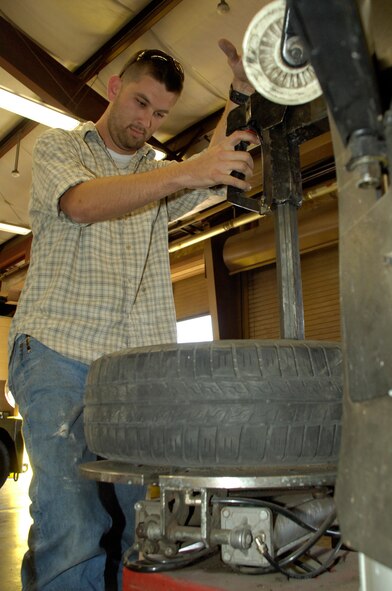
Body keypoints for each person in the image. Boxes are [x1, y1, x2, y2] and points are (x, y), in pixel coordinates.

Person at [7, 38, 256, 591]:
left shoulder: (160, 174)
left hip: (133, 371)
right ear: (115, 88)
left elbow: (216, 161)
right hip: (56, 353)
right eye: (141, 103)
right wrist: (186, 173)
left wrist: (240, 92)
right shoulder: (59, 149)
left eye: (161, 113)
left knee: (145, 525)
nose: (148, 121)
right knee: (72, 518)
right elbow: (82, 204)